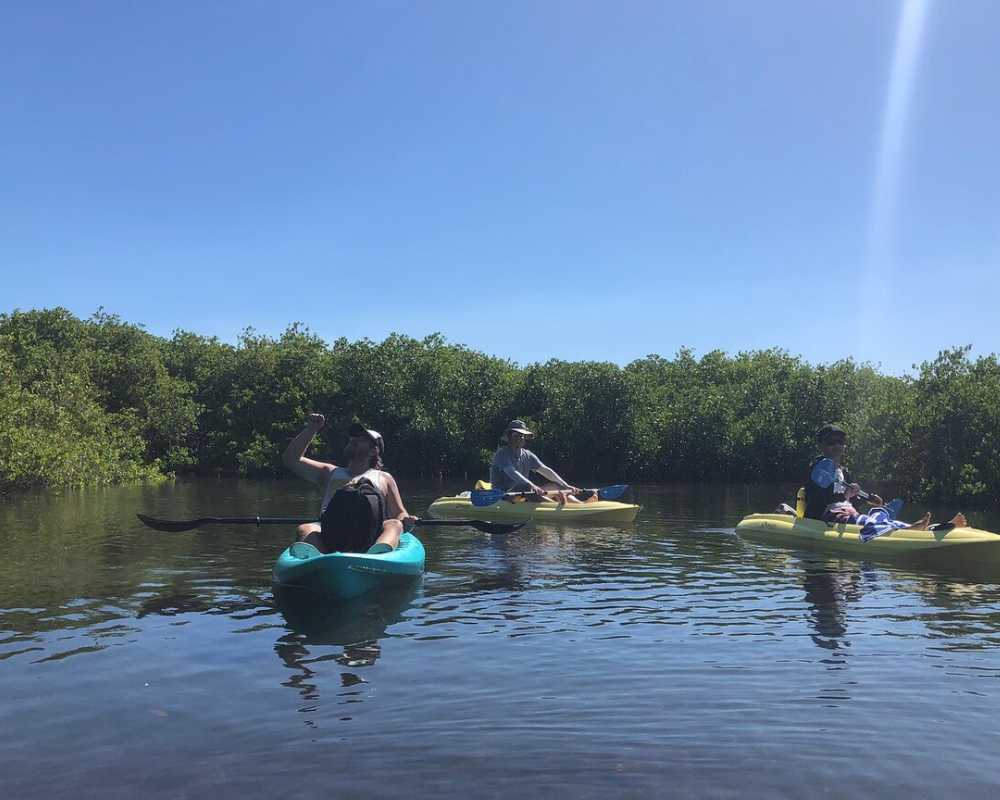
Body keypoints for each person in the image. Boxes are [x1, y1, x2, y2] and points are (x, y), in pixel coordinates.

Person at [282, 414, 417, 553]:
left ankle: (378, 554)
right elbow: (291, 459)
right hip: (332, 531)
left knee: (395, 525)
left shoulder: (384, 478)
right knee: (305, 528)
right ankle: (321, 561)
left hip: (371, 533)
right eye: (353, 437)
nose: (353, 439)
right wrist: (312, 429)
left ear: (373, 451)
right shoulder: (329, 472)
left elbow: (399, 513)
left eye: (361, 438)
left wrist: (405, 519)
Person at [805, 423, 965, 531]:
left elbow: (847, 500)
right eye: (832, 442)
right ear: (822, 446)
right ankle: (909, 529)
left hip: (846, 513)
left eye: (840, 442)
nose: (837, 446)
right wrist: (848, 493)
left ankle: (922, 528)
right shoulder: (818, 466)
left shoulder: (844, 472)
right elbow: (825, 495)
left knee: (878, 513)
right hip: (824, 518)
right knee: (864, 519)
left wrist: (862, 498)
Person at [489, 419, 594, 504]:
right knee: (526, 486)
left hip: (523, 494)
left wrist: (566, 485)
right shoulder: (502, 454)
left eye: (522, 436)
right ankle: (555, 506)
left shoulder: (528, 454)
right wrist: (532, 485)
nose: (520, 438)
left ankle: (580, 505)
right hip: (504, 496)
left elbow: (545, 470)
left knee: (556, 485)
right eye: (516, 435)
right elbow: (512, 473)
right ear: (509, 437)